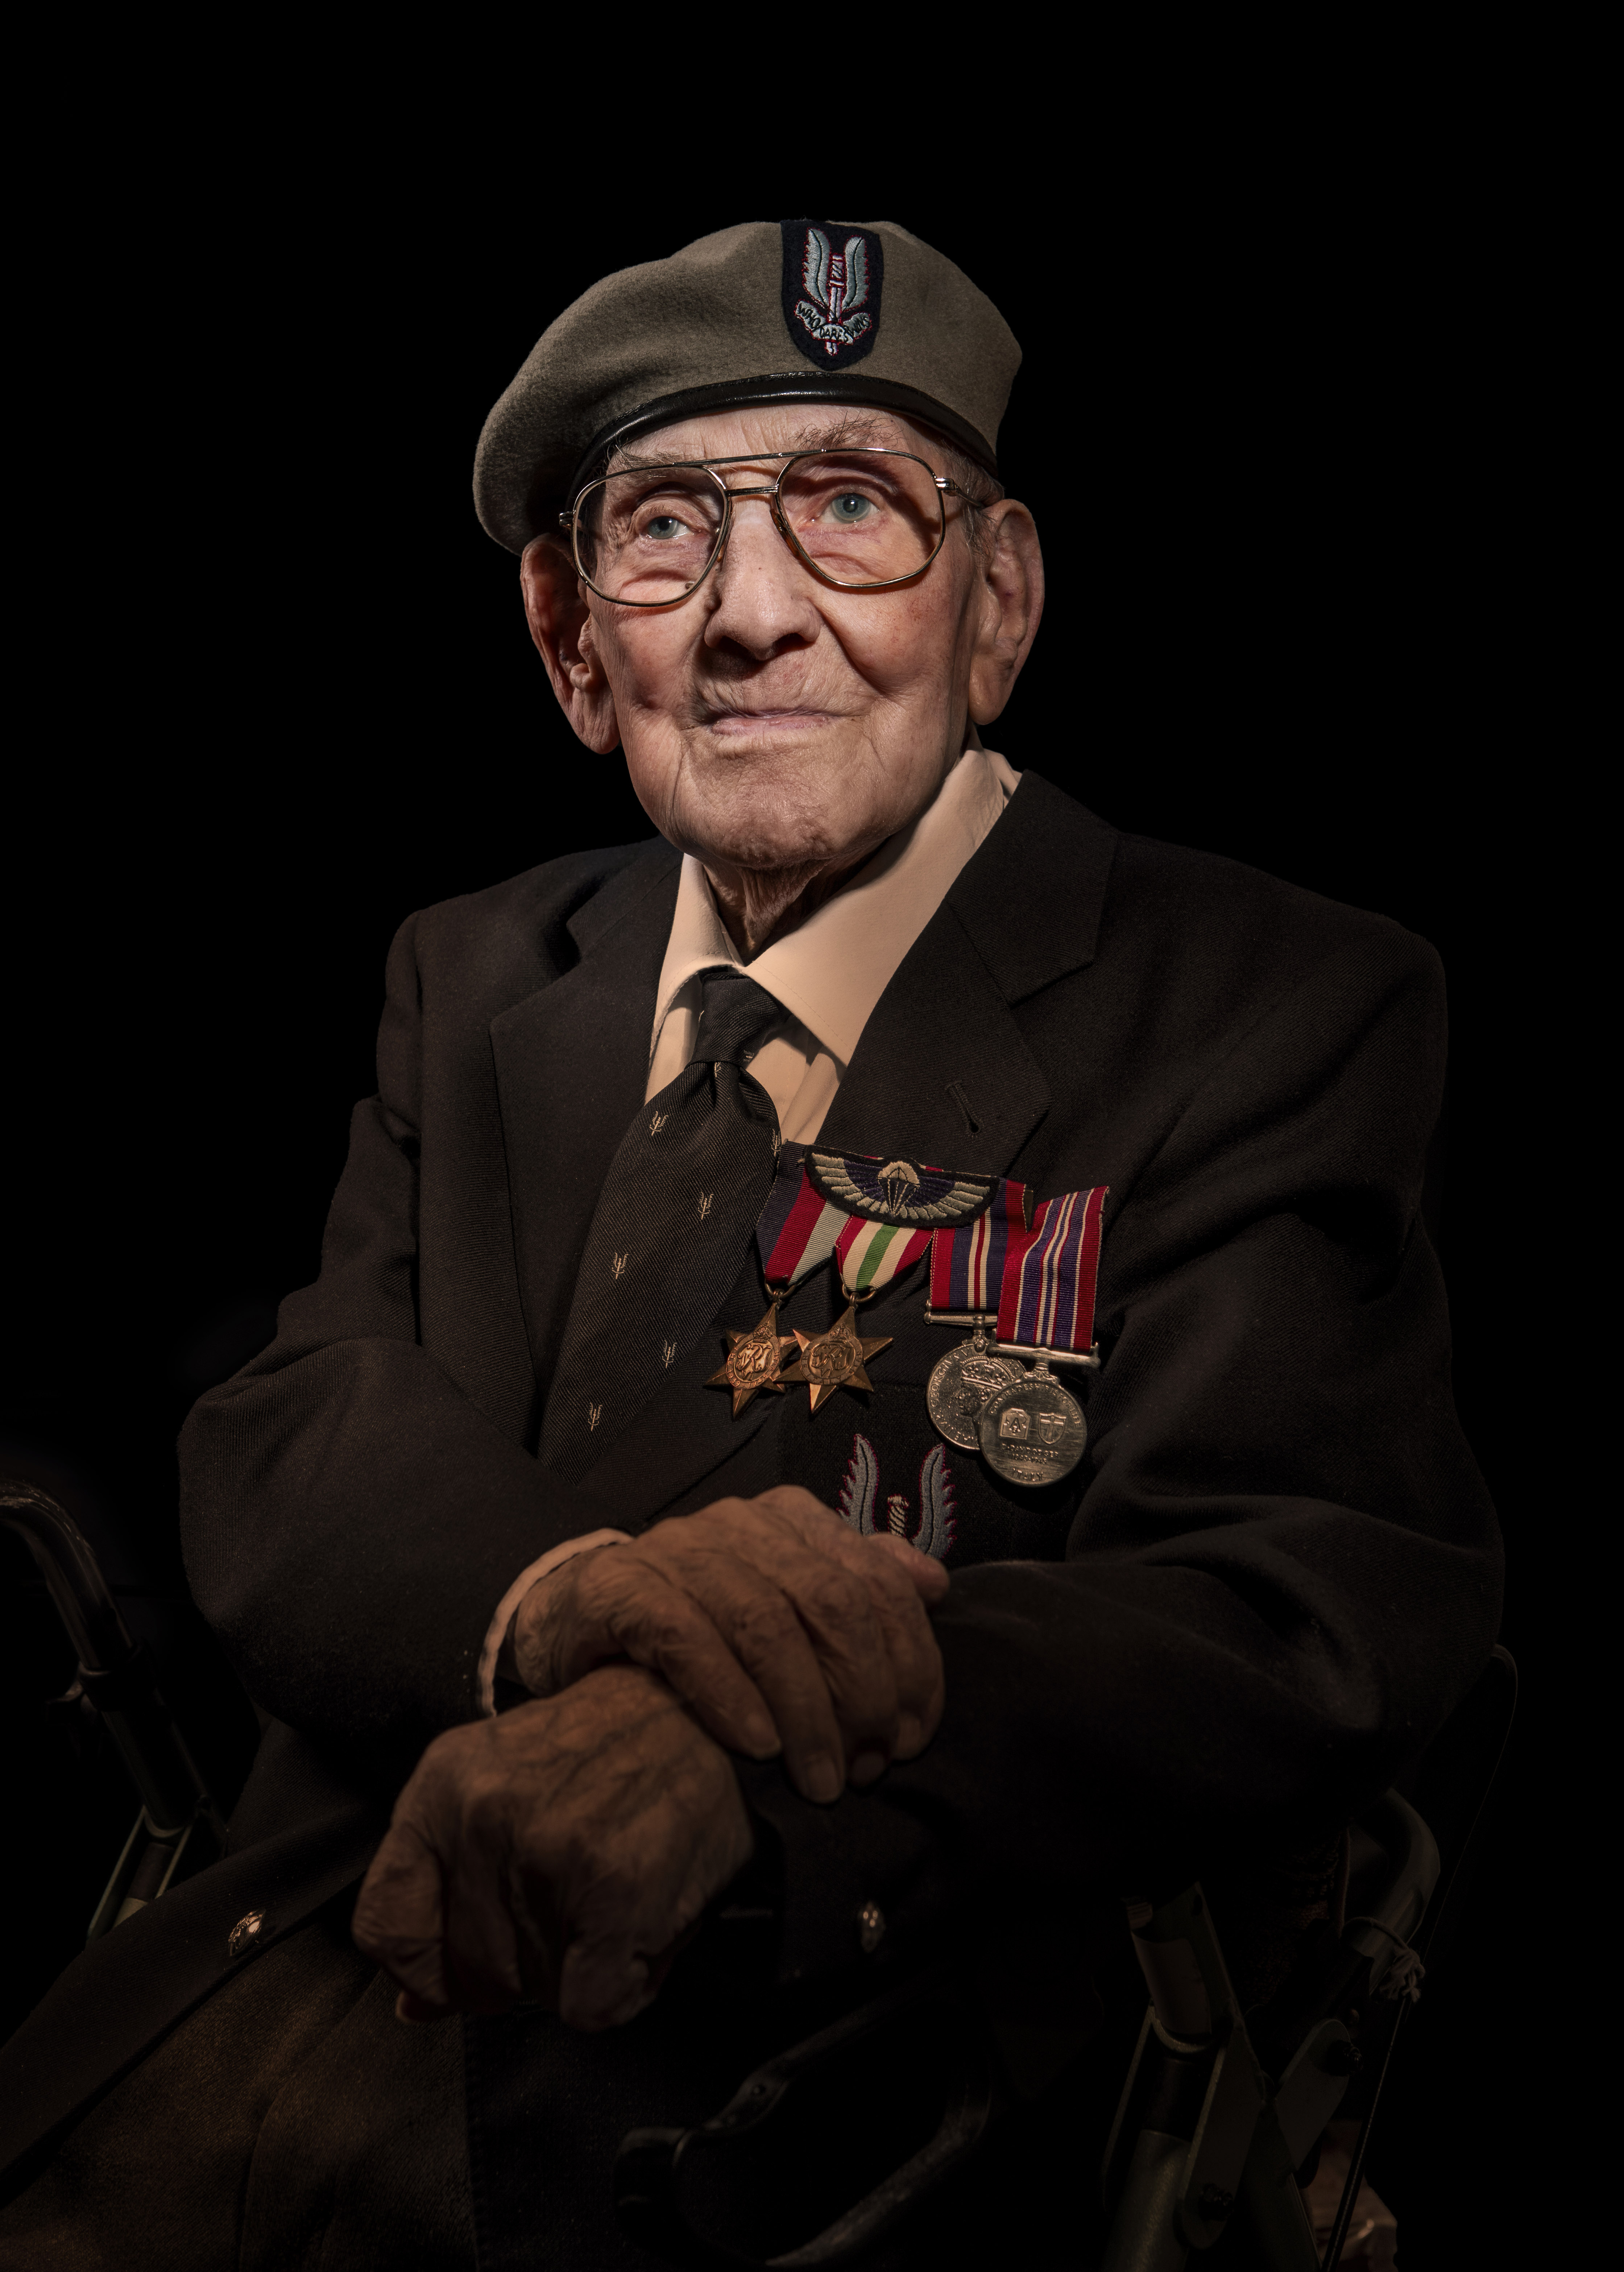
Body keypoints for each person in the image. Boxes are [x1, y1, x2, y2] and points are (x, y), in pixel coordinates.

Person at [0, 219, 1502, 2269]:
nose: (752, 618)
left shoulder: (1268, 999)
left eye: (852, 512)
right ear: (566, 637)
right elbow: (300, 1429)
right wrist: (584, 1605)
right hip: (297, 1985)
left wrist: (753, 1762)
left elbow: (1280, 1611)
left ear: (1000, 606)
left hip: (821, 2090)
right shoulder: (479, 970)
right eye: (663, 536)